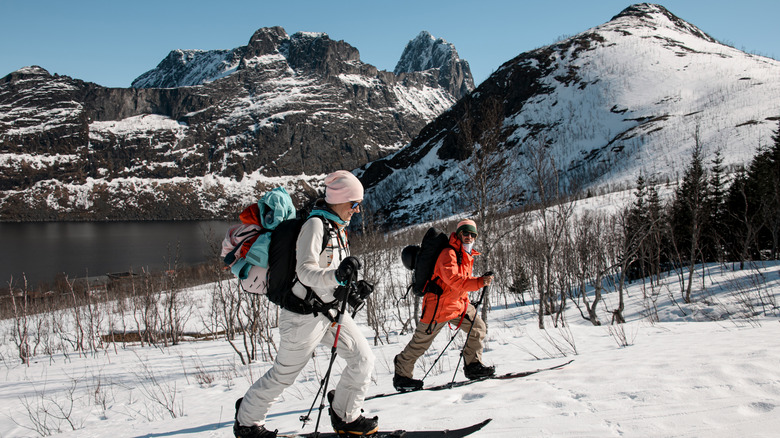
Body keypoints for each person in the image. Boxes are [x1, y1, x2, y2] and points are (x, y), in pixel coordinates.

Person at [234, 170, 378, 438]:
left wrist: (351, 288)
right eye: (354, 204)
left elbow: (331, 274)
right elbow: (305, 272)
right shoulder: (315, 226)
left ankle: (346, 416)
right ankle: (247, 422)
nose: (356, 210)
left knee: (363, 359)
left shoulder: (338, 228)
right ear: (340, 200)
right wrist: (336, 276)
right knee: (284, 375)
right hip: (302, 318)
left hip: (331, 312)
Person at [393, 219, 495, 391]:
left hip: (458, 305)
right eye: (465, 233)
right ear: (459, 234)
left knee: (477, 328)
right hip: (438, 308)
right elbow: (454, 280)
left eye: (472, 234)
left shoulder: (466, 254)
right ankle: (402, 375)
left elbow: (459, 285)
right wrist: (479, 282)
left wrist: (471, 292)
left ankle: (473, 366)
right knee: (421, 343)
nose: (469, 237)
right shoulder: (449, 254)